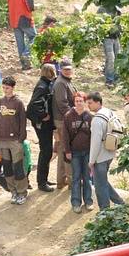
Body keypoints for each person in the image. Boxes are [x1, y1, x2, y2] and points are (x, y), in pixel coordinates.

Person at [87, 91, 124, 210]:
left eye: (90, 103)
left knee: (99, 185)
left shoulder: (97, 119)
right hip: (110, 152)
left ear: (98, 102)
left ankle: (105, 211)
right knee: (102, 180)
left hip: (100, 157)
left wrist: (91, 160)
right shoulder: (109, 112)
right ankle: (119, 203)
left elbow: (95, 142)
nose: (89, 106)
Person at [0, 76, 28, 204]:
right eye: (3, 87)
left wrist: (20, 139)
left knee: (18, 166)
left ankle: (22, 192)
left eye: (7, 88)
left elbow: (22, 122)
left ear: (13, 88)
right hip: (2, 140)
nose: (5, 90)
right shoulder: (0, 102)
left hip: (15, 140)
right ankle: (13, 191)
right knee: (7, 166)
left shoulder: (18, 103)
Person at [26, 64, 56, 193]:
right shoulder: (42, 86)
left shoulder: (44, 84)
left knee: (46, 151)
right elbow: (33, 105)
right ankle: (41, 182)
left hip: (43, 124)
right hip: (42, 125)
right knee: (46, 151)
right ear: (50, 72)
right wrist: (44, 115)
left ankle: (43, 179)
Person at [63, 92, 93, 212]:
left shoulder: (89, 116)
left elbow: (93, 135)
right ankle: (76, 202)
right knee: (75, 177)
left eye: (81, 101)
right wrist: (67, 151)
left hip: (87, 151)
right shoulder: (68, 116)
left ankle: (88, 201)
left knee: (87, 177)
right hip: (74, 152)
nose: (79, 103)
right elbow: (65, 135)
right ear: (74, 102)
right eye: (76, 101)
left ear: (84, 102)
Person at [51, 58, 77, 189]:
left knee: (62, 150)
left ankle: (61, 180)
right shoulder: (61, 83)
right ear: (60, 70)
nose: (68, 71)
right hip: (62, 120)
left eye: (69, 69)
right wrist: (73, 116)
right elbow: (62, 104)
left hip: (63, 119)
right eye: (65, 69)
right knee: (67, 149)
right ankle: (71, 182)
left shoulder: (66, 81)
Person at [7, 0, 36, 70]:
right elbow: (30, 5)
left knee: (20, 43)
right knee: (35, 36)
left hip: (14, 19)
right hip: (24, 17)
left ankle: (25, 65)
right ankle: (26, 54)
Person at [97, 3, 121, 87]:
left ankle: (115, 75)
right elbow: (99, 23)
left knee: (118, 57)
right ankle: (109, 80)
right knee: (111, 58)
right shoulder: (102, 8)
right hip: (107, 37)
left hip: (116, 37)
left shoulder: (117, 7)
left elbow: (119, 21)